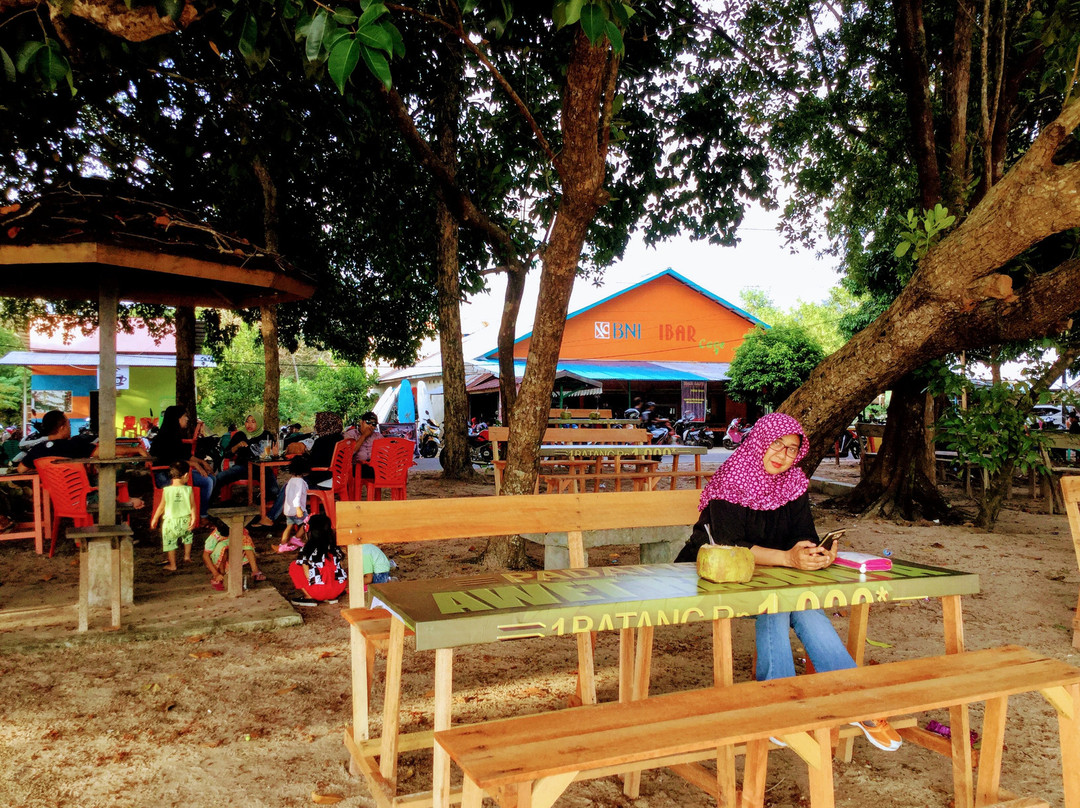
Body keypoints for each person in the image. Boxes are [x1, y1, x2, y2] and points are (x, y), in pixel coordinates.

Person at [673, 412, 903, 752]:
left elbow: (802, 536)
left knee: (799, 605)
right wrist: (787, 559)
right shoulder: (731, 479)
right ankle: (792, 706)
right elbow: (729, 545)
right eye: (775, 445)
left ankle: (846, 703)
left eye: (791, 449)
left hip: (773, 578)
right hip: (717, 575)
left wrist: (817, 552)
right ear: (759, 442)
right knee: (779, 602)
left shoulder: (793, 483)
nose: (782, 456)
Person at [19, 410, 146, 507]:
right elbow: (108, 450)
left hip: (58, 499)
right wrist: (136, 449)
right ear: (62, 428)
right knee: (106, 474)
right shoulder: (74, 445)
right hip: (82, 497)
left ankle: (125, 499)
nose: (70, 427)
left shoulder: (37, 450)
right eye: (68, 424)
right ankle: (125, 500)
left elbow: (21, 470)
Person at [150, 405, 214, 514]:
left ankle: (202, 511)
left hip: (176, 472)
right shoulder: (163, 438)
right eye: (184, 416)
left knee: (212, 478)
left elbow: (185, 455)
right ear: (177, 418)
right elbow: (171, 460)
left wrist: (202, 462)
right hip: (166, 475)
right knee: (207, 481)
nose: (187, 419)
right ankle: (202, 516)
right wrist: (196, 465)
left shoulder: (175, 435)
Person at [213, 414, 280, 504]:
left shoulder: (266, 435)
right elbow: (227, 454)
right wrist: (237, 446)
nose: (249, 424)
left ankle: (259, 505)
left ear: (259, 423)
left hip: (261, 469)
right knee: (218, 478)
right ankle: (209, 507)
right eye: (247, 421)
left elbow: (273, 455)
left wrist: (275, 455)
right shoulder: (240, 435)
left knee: (274, 490)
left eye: (253, 421)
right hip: (242, 467)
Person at [288, 513, 348, 607]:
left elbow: (307, 575)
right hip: (337, 589)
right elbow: (340, 567)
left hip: (318, 591)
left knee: (294, 566)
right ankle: (331, 597)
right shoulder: (334, 547)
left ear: (310, 531)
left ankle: (308, 597)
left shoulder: (306, 550)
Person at [150, 460, 196, 571]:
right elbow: (192, 505)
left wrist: (155, 518)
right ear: (185, 475)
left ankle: (173, 565)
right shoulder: (188, 489)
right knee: (187, 538)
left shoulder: (166, 490)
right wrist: (193, 518)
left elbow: (161, 507)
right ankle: (187, 556)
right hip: (185, 519)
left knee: (170, 543)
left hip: (170, 522)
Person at [202, 516, 265, 591]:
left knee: (246, 539)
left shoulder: (237, 530)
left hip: (235, 557)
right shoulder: (213, 537)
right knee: (222, 546)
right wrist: (216, 573)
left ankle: (255, 571)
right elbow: (205, 556)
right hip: (219, 559)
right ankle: (221, 575)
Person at [277, 455, 310, 552]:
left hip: (288, 510)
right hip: (297, 509)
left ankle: (282, 544)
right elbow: (297, 496)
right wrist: (298, 508)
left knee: (289, 526)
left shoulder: (290, 481)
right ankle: (296, 538)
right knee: (307, 522)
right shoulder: (300, 482)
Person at [352, 411, 380, 479]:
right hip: (358, 466)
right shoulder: (351, 434)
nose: (371, 425)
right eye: (368, 422)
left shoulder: (378, 436)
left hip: (375, 465)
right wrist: (364, 435)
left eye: (374, 424)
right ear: (361, 422)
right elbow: (352, 451)